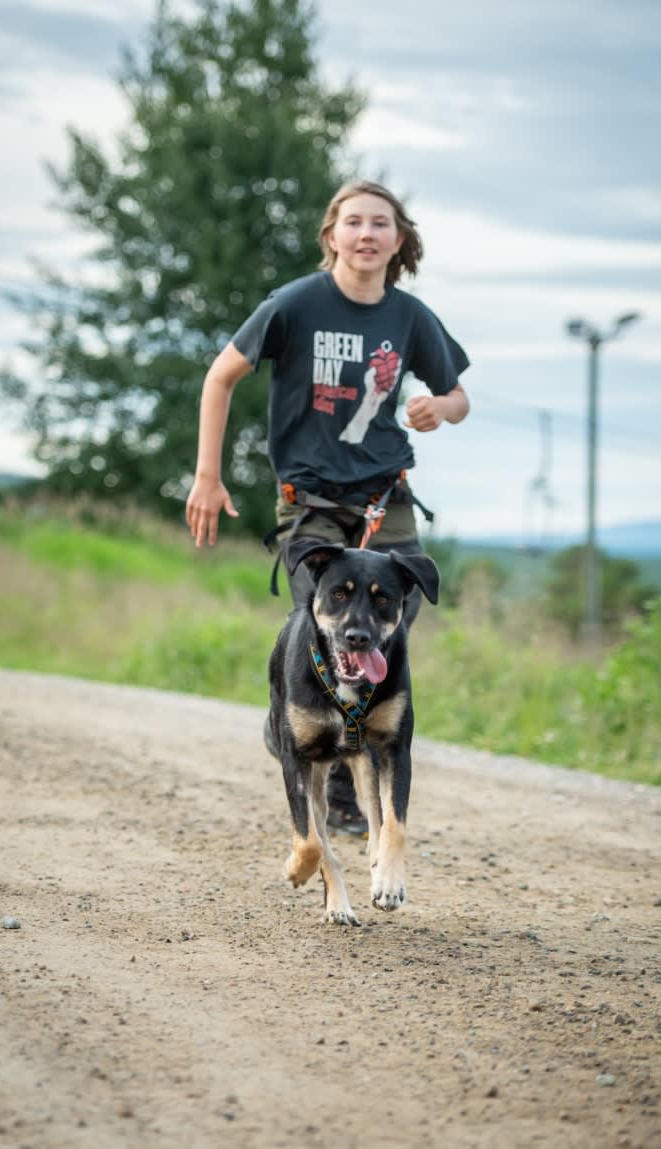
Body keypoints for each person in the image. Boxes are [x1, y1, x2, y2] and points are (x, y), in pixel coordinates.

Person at [186, 179, 471, 833]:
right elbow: (220, 375)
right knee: (322, 620)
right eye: (353, 222)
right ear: (332, 235)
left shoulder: (410, 317)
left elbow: (458, 396)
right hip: (310, 501)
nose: (367, 234)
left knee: (394, 612)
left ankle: (364, 734)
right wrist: (207, 475)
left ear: (399, 241)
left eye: (381, 224)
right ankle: (319, 753)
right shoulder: (294, 304)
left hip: (384, 496)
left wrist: (439, 408)